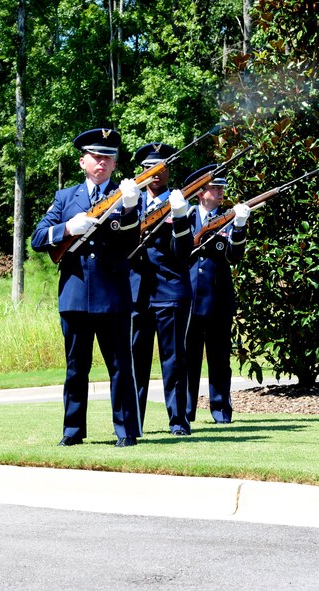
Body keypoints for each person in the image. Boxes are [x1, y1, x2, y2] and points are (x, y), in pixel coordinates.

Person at [31, 128, 143, 447]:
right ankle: (72, 431)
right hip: (76, 295)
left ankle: (125, 430)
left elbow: (132, 242)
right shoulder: (66, 198)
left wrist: (133, 208)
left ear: (114, 164)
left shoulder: (123, 198)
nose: (102, 162)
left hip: (113, 297)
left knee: (121, 367)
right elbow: (38, 238)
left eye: (108, 157)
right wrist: (67, 227)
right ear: (83, 161)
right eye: (96, 156)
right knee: (76, 369)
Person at [129, 142, 193, 435]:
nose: (156, 174)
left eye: (161, 168)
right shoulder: (130, 203)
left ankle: (178, 421)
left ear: (169, 171)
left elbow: (183, 253)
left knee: (174, 359)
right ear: (141, 173)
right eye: (149, 169)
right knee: (135, 360)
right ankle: (133, 423)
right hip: (136, 292)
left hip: (170, 290)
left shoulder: (182, 205)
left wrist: (179, 216)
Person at [184, 165, 250, 424]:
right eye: (215, 187)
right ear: (200, 193)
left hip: (218, 300)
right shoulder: (185, 216)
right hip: (188, 299)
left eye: (222, 187)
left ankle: (221, 411)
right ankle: (185, 413)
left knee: (220, 361)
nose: (221, 192)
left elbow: (235, 256)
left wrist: (241, 225)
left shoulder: (230, 216)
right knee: (187, 361)